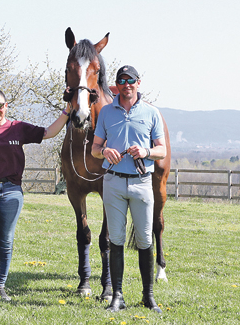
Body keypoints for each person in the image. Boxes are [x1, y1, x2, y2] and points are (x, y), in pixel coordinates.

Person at [0, 89, 71, 304]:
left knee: (5, 242)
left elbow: (48, 133)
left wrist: (67, 111)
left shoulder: (19, 128)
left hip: (11, 192)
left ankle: (0, 288)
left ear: (6, 105)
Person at [90, 65, 166, 313]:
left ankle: (148, 296)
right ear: (117, 84)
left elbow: (161, 150)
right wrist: (104, 151)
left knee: (144, 239)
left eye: (130, 80)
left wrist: (146, 152)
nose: (126, 84)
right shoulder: (106, 113)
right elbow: (94, 148)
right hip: (112, 181)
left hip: (142, 182)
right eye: (121, 80)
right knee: (117, 238)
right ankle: (118, 296)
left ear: (138, 82)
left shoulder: (152, 113)